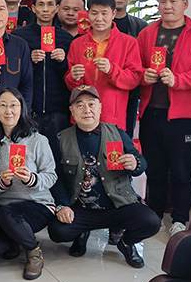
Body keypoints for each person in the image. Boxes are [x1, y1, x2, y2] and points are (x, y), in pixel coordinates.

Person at [48, 86, 160, 268]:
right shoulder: (62, 139)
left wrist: (135, 163)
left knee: (151, 222)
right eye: (80, 105)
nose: (87, 109)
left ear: (100, 107)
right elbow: (56, 177)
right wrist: (62, 205)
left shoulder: (118, 134)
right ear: (72, 111)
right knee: (58, 231)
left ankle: (127, 243)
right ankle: (81, 233)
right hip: (82, 208)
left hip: (117, 205)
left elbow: (141, 163)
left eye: (91, 104)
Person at [138, 0, 191, 236]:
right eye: (162, 1)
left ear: (185, 4)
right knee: (154, 169)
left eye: (173, 1)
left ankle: (180, 218)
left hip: (183, 116)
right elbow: (135, 66)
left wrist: (179, 80)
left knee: (181, 171)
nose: (167, 6)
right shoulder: (147, 33)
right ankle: (154, 214)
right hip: (151, 112)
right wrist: (143, 75)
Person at [0, 88, 56, 280]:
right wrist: (1, 182)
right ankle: (15, 238)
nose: (8, 110)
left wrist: (31, 178)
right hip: (2, 204)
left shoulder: (38, 140)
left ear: (22, 109)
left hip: (36, 204)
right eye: (3, 105)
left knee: (7, 214)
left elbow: (51, 176)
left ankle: (34, 253)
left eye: (13, 105)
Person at [65, 0, 143, 130]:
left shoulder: (128, 42)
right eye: (94, 13)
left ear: (113, 14)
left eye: (104, 13)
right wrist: (73, 77)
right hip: (84, 117)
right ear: (87, 14)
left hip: (113, 117)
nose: (99, 18)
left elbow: (134, 79)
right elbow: (71, 84)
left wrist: (111, 70)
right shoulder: (77, 44)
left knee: (113, 145)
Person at [14, 0, 72, 159]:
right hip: (29, 109)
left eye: (50, 4)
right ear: (33, 8)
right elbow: (14, 73)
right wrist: (29, 61)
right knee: (28, 157)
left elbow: (72, 76)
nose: (45, 9)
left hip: (58, 110)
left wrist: (63, 62)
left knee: (57, 157)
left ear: (56, 8)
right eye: (41, 5)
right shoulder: (19, 37)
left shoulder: (66, 38)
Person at [109, 0, 148, 137]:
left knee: (125, 135)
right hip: (106, 88)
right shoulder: (100, 24)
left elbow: (144, 57)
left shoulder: (141, 26)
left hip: (130, 90)